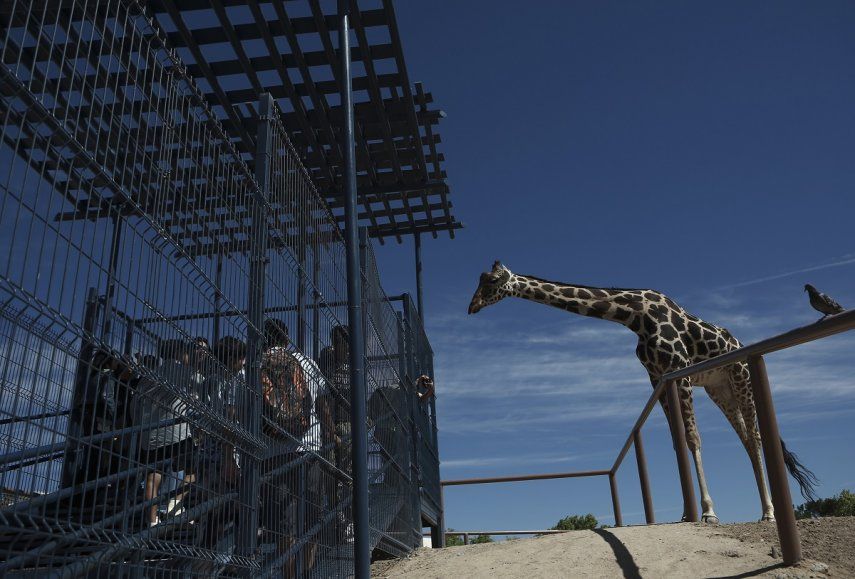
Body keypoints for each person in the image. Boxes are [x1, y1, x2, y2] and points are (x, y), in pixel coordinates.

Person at [263, 319, 326, 573]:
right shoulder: (307, 363)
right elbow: (321, 404)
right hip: (308, 446)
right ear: (286, 338)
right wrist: (331, 436)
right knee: (312, 515)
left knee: (283, 524)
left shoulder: (254, 365)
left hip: (272, 451)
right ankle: (307, 572)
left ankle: (289, 575)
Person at [134, 339, 196, 527]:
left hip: (149, 436)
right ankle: (173, 505)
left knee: (153, 478)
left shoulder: (148, 377)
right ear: (178, 352)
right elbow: (203, 397)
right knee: (194, 472)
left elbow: (134, 406)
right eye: (186, 353)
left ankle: (151, 522)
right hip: (178, 433)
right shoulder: (187, 373)